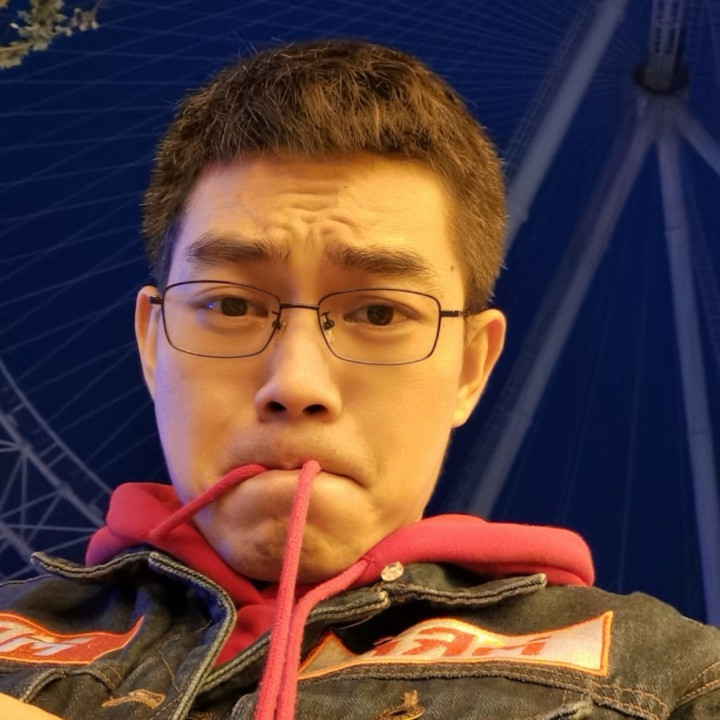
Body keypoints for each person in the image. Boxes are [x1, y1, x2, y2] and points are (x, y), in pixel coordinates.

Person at [1, 39, 718, 720]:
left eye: (379, 312)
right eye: (231, 306)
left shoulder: (677, 682)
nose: (297, 383)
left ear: (471, 367)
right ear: (153, 345)